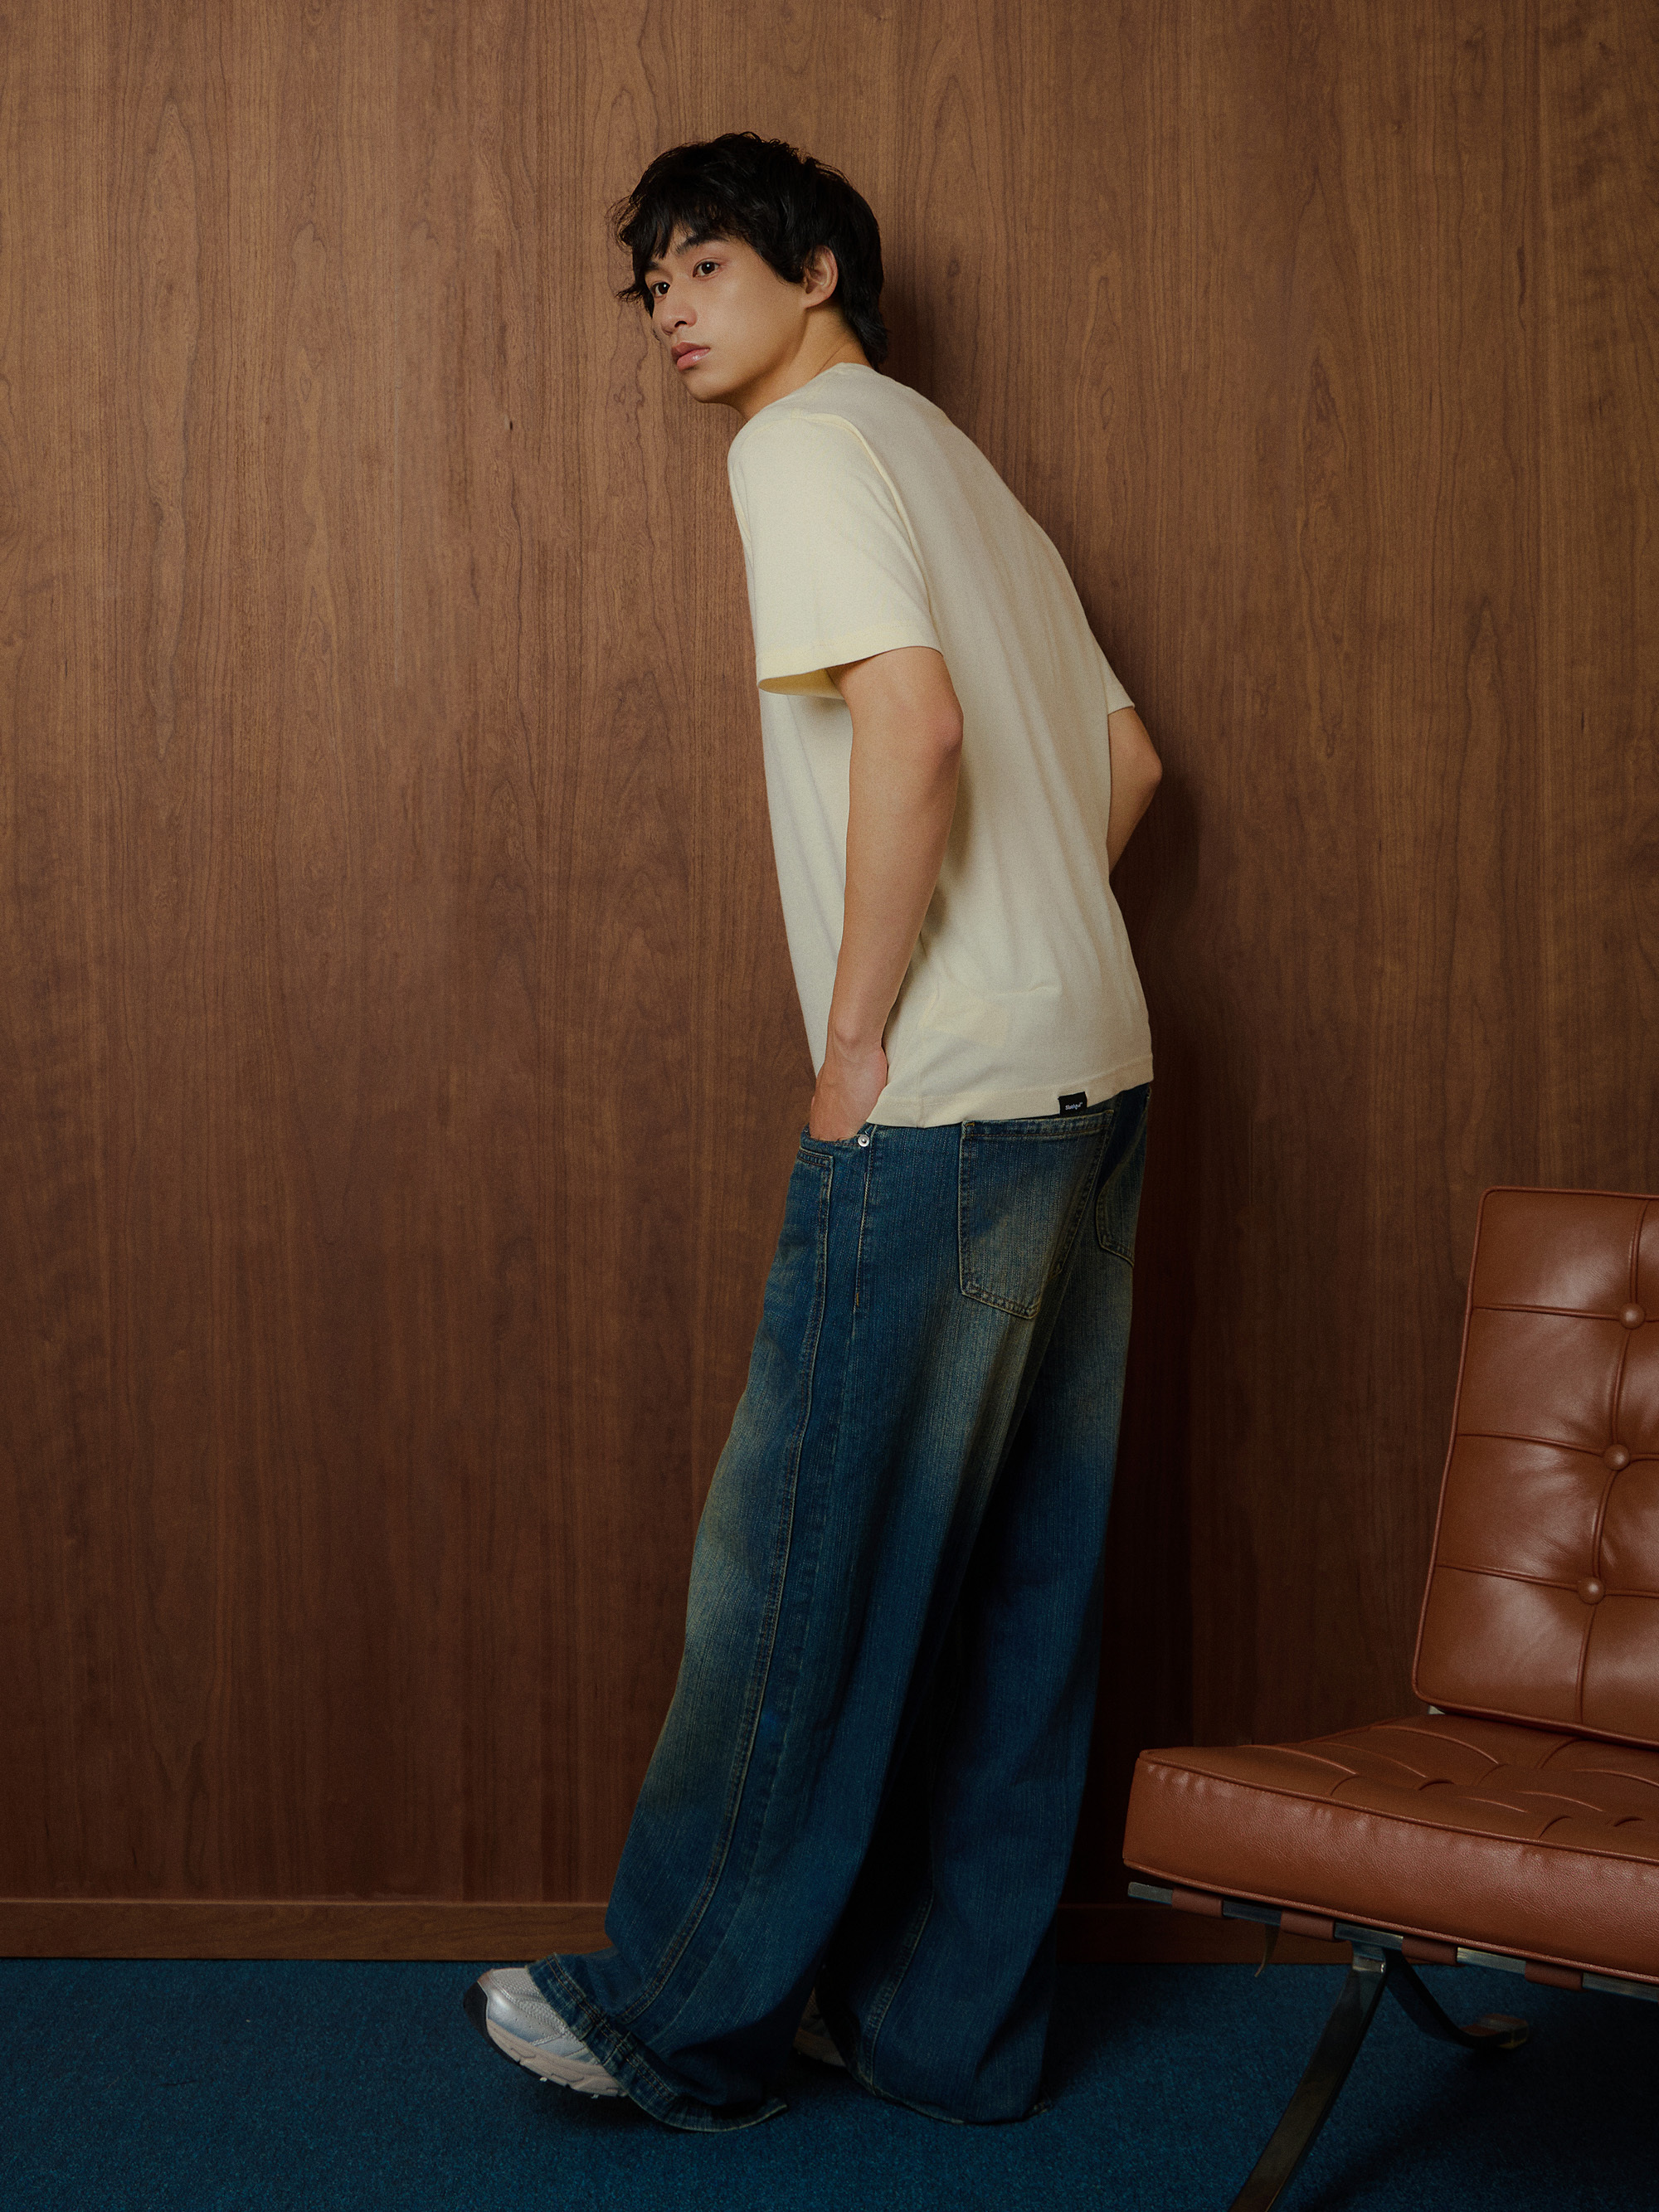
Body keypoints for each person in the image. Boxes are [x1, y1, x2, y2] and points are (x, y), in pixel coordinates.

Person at [464, 130, 1162, 2132]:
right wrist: (1026, 946)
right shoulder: (965, 470)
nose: (670, 311)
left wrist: (862, 1030)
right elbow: (1126, 760)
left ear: (819, 269)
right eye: (652, 285)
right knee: (1022, 1579)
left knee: (803, 1565)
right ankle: (943, 2028)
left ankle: (674, 2019)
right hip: (1095, 1056)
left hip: (942, 1094)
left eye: (704, 266)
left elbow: (914, 724)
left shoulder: (802, 447)